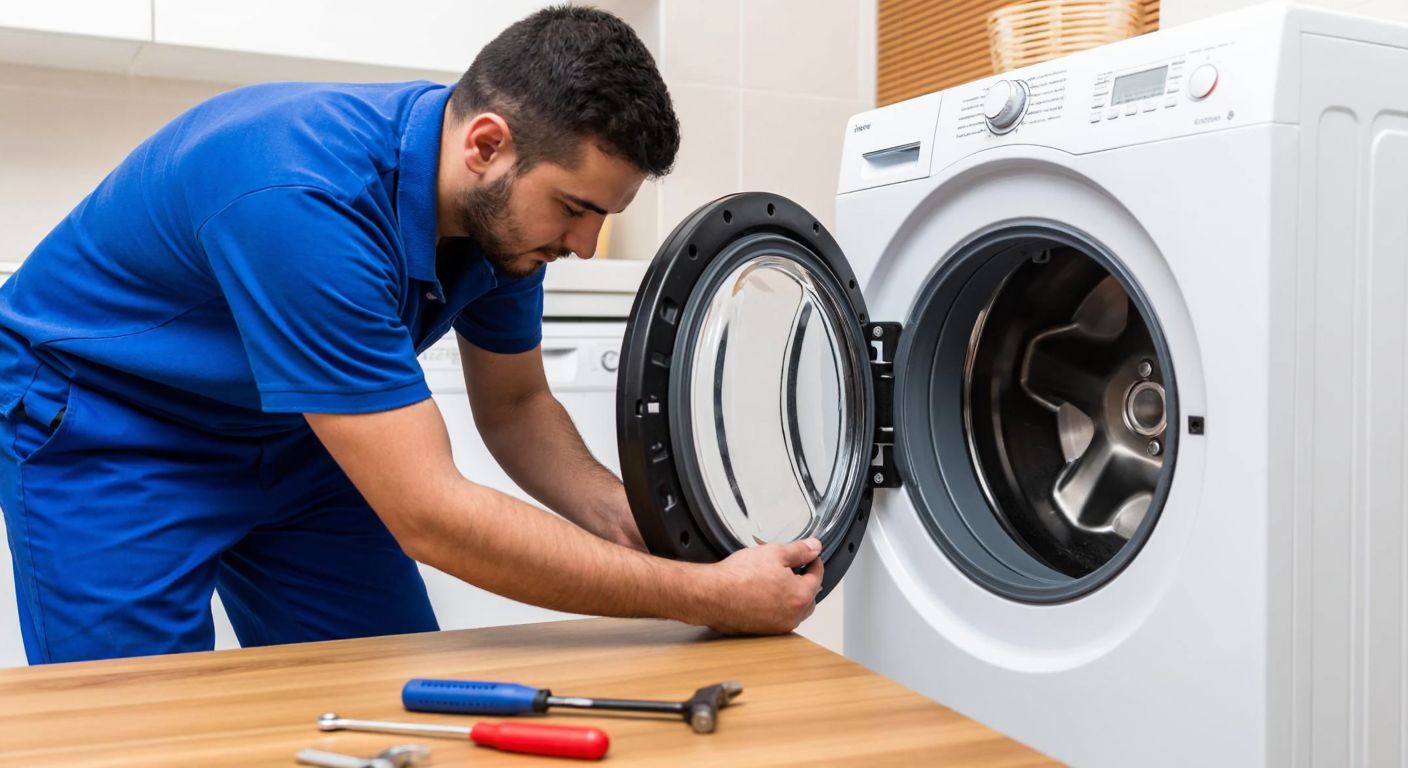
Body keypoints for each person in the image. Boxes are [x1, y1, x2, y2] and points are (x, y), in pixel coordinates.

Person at [0, 6, 823, 665]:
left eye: (601, 218)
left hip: (296, 434)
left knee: (384, 693)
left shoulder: (496, 218)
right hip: (110, 428)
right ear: (487, 145)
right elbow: (429, 514)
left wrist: (639, 527)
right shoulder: (302, 198)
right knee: (135, 732)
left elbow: (517, 406)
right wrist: (703, 597)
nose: (583, 247)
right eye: (575, 209)